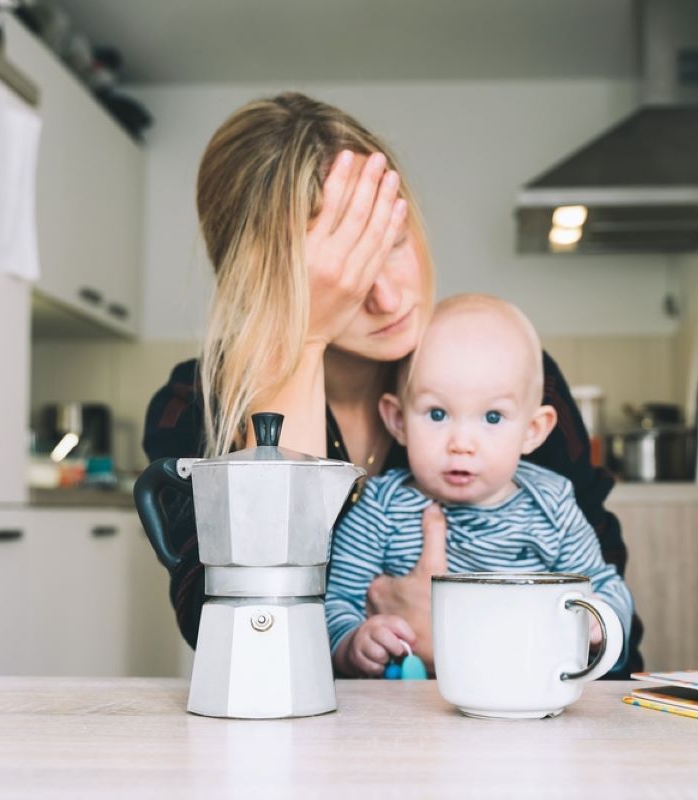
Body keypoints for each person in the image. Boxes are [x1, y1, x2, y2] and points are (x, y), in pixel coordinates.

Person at [141, 92, 643, 675]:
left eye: (393, 244)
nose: (387, 298)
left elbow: (617, 635)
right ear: (261, 285)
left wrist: (456, 626)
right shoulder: (194, 405)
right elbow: (255, 647)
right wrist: (303, 343)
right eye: (340, 276)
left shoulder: (500, 377)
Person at [326, 294, 634, 678]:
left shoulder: (551, 505)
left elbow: (605, 586)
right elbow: (336, 602)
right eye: (437, 413)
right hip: (413, 716)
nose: (462, 442)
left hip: (529, 698)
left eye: (492, 416)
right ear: (397, 420)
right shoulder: (380, 508)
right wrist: (354, 642)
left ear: (533, 431)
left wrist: (599, 624)